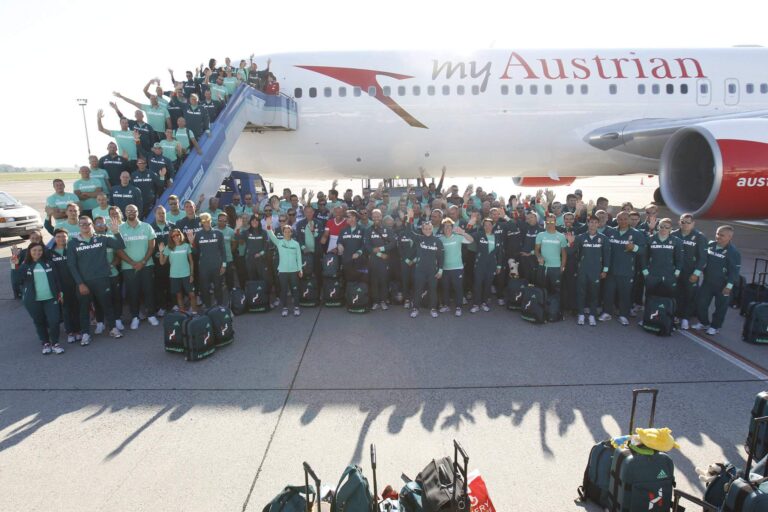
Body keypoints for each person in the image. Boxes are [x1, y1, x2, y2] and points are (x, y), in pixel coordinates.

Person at [66, 215, 125, 344]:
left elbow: (120, 245)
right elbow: (71, 265)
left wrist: (116, 232)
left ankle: (113, 329)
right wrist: (80, 283)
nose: (85, 226)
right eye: (82, 224)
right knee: (84, 309)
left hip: (102, 280)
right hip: (84, 282)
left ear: (91, 225)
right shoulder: (72, 243)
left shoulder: (101, 238)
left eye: (87, 224)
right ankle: (85, 333)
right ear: (78, 226)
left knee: (107, 306)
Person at [14, 242, 63, 355]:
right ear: (29, 252)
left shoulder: (49, 263)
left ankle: (55, 343)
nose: (37, 252)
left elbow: (57, 280)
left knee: (54, 321)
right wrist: (14, 266)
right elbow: (16, 281)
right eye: (34, 250)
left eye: (40, 250)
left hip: (51, 299)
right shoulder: (25, 265)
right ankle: (46, 343)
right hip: (33, 301)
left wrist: (61, 293)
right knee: (39, 321)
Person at [692, 226, 741, 335]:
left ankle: (715, 326)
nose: (718, 236)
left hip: (723, 285)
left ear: (729, 237)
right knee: (701, 303)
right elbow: (702, 259)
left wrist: (729, 286)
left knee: (720, 307)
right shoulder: (710, 245)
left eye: (722, 235)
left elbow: (734, 272)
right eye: (717, 234)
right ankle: (704, 322)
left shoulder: (733, 252)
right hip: (707, 282)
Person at [118, 204, 160, 329]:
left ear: (138, 212)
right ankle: (135, 317)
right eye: (128, 211)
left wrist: (143, 262)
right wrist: (132, 263)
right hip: (128, 267)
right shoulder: (119, 228)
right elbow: (118, 249)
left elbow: (152, 246)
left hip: (147, 265)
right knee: (133, 292)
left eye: (134, 210)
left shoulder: (147, 227)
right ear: (125, 213)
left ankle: (151, 314)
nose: (131, 212)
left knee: (149, 290)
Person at [601, 211, 645, 326]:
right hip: (611, 270)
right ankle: (606, 313)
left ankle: (623, 315)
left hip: (626, 270)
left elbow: (643, 250)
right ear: (617, 220)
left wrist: (634, 247)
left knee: (625, 294)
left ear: (629, 220)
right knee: (608, 293)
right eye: (620, 219)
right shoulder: (610, 231)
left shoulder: (637, 234)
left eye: (625, 219)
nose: (623, 221)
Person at [671, 214, 708, 330]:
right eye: (683, 222)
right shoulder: (673, 234)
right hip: (675, 271)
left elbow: (703, 258)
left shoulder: (699, 237)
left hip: (690, 272)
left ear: (693, 223)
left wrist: (696, 273)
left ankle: (685, 318)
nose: (685, 224)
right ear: (679, 222)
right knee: (675, 293)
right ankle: (675, 314)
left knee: (689, 295)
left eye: (688, 222)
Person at [572, 215, 611, 326]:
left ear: (598, 224)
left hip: (596, 271)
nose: (593, 224)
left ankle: (592, 315)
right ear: (587, 223)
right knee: (581, 293)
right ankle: (581, 314)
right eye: (591, 222)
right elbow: (573, 253)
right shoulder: (580, 237)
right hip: (583, 270)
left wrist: (605, 270)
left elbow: (607, 255)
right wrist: (570, 243)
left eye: (595, 222)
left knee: (594, 294)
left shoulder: (603, 238)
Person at [49, 229, 81, 343]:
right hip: (60, 287)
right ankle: (70, 332)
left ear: (68, 238)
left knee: (76, 308)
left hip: (75, 284)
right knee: (66, 310)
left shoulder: (72, 249)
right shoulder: (49, 253)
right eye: (58, 236)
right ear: (54, 238)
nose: (61, 239)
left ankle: (78, 331)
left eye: (64, 236)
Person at [265, 220, 303, 317]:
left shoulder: (296, 244)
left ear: (291, 233)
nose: (287, 233)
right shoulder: (279, 243)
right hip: (282, 271)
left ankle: (296, 307)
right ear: (283, 233)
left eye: (289, 232)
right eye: (285, 232)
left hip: (294, 271)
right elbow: (271, 234)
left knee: (295, 290)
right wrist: (268, 225)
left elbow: (299, 258)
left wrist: (300, 269)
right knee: (284, 290)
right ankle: (285, 308)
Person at [408, 216, 444, 318]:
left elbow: (441, 257)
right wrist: (410, 218)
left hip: (432, 270)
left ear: (432, 229)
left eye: (429, 229)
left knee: (433, 290)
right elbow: (409, 232)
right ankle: (415, 308)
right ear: (422, 230)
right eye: (425, 229)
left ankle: (433, 309)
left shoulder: (437, 241)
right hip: (420, 270)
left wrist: (440, 270)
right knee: (418, 289)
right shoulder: (419, 238)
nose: (427, 230)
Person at [188, 212, 226, 308]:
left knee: (218, 287)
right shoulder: (198, 234)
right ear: (201, 222)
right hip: (204, 267)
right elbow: (195, 252)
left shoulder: (218, 233)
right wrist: (191, 243)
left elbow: (223, 251)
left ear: (211, 220)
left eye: (208, 220)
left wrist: (224, 265)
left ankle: (220, 307)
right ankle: (208, 307)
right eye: (204, 221)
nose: (206, 223)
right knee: (205, 288)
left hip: (217, 265)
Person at [641, 218, 683, 302]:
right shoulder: (650, 239)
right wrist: (645, 272)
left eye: (667, 227)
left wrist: (677, 272)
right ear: (658, 227)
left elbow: (679, 259)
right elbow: (643, 257)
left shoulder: (676, 241)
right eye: (662, 226)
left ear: (671, 229)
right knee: (650, 297)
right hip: (652, 274)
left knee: (669, 298)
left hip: (669, 274)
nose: (664, 229)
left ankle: (668, 311)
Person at [438, 218, 473, 316]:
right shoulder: (440, 239)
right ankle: (446, 305)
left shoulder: (458, 237)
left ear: (452, 228)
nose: (447, 228)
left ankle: (459, 307)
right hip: (444, 269)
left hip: (457, 268)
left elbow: (471, 240)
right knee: (445, 288)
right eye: (445, 226)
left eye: (449, 226)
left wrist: (463, 233)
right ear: (443, 228)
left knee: (458, 288)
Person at [158, 229, 196, 314]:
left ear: (180, 235)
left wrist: (191, 274)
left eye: (177, 235)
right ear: (171, 238)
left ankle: (194, 313)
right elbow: (162, 262)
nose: (176, 237)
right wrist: (161, 252)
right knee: (179, 296)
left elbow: (191, 261)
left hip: (186, 274)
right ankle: (183, 314)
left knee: (192, 295)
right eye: (173, 236)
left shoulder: (186, 245)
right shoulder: (168, 247)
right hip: (174, 275)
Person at [365, 209, 396, 310]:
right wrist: (379, 254)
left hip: (385, 259)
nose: (376, 218)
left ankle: (383, 301)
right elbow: (367, 246)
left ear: (381, 216)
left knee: (384, 280)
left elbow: (393, 243)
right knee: (374, 281)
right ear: (372, 217)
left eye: (378, 216)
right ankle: (376, 301)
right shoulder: (368, 230)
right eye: (374, 216)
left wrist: (382, 249)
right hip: (374, 259)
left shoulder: (388, 229)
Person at [470, 217, 502, 313]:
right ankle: (476, 304)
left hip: (492, 264)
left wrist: (499, 266)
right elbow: (469, 236)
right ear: (483, 226)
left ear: (493, 226)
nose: (487, 227)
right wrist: (467, 228)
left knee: (488, 284)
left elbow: (499, 252)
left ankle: (484, 303)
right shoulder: (479, 234)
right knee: (478, 283)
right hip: (480, 263)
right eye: (485, 225)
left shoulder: (497, 237)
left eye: (489, 225)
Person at [535, 214, 568, 298]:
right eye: (548, 222)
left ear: (555, 223)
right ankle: (543, 305)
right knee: (543, 290)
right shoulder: (540, 235)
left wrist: (562, 267)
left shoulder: (561, 236)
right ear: (545, 222)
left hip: (556, 267)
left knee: (556, 290)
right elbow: (536, 250)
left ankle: (555, 306)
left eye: (552, 222)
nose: (550, 224)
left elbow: (564, 253)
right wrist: (539, 256)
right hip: (543, 267)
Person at [151, 205, 174, 315]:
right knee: (159, 285)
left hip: (172, 261)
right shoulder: (150, 227)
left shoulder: (172, 226)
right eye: (159, 213)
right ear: (155, 214)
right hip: (157, 262)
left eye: (163, 213)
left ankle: (173, 305)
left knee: (172, 283)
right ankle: (162, 306)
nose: (161, 215)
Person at [337, 210, 367, 283]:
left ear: (354, 218)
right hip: (347, 260)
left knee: (361, 281)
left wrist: (359, 252)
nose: (346, 218)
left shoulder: (363, 229)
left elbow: (365, 244)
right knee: (348, 281)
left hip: (360, 261)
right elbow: (339, 241)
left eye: (348, 217)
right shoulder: (343, 230)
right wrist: (339, 245)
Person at [216, 212, 236, 289]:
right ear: (217, 220)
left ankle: (232, 293)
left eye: (224, 221)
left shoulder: (231, 231)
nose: (222, 222)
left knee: (230, 279)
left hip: (228, 259)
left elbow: (234, 244)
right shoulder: (213, 230)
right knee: (217, 280)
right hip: (217, 259)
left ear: (227, 221)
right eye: (220, 220)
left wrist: (229, 251)